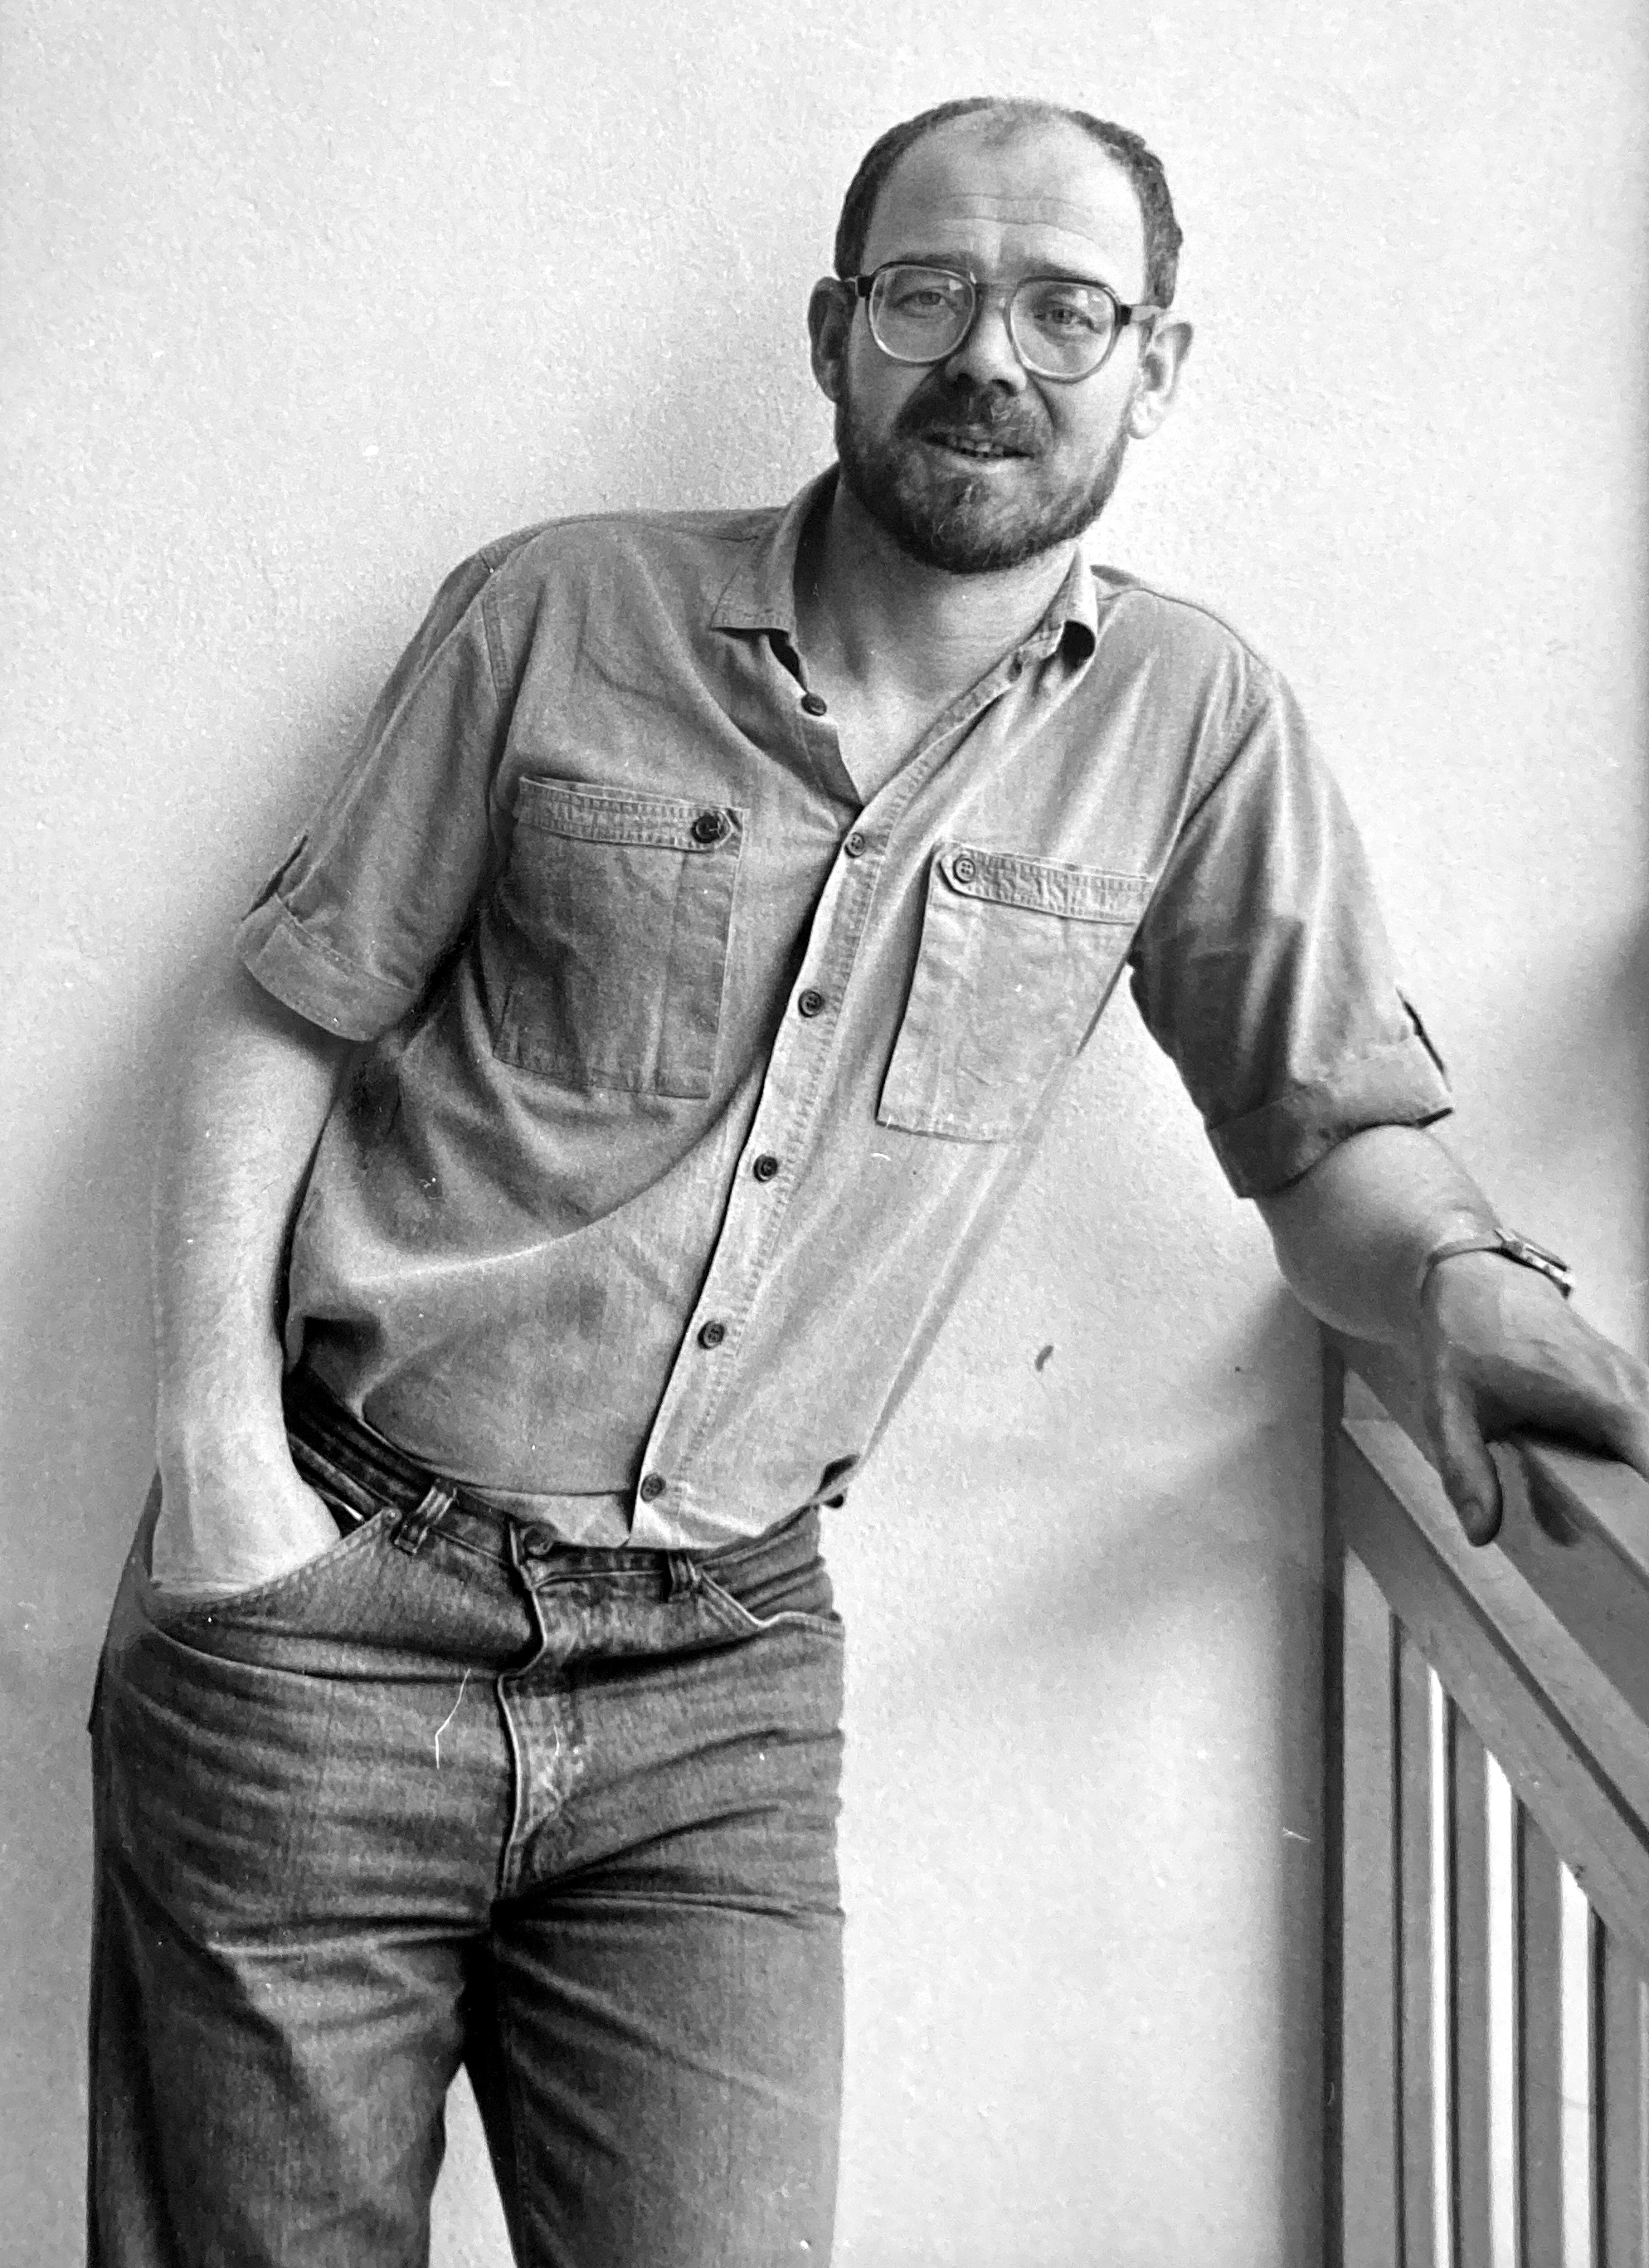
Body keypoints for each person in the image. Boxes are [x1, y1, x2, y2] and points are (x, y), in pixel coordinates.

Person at [87, 94, 1649, 2268]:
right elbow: (289, 1007)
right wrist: (219, 1467)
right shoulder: (558, 608)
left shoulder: (1191, 719)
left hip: (719, 1684)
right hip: (333, 1603)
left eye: (1065, 307)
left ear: (1155, 366)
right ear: (836, 333)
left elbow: (1329, 1138)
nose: (990, 354)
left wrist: (1467, 1282)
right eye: (930, 292)